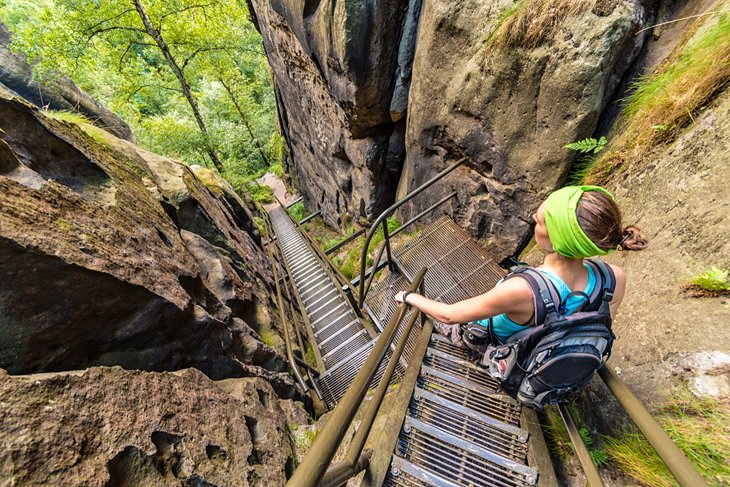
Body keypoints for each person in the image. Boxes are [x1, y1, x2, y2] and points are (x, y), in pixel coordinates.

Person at [394, 185, 647, 343]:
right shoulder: (613, 278)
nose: (533, 218)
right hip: (548, 345)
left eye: (539, 221)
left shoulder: (521, 290)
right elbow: (596, 330)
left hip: (497, 345)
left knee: (450, 327)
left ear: (557, 239)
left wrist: (409, 296)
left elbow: (448, 315)